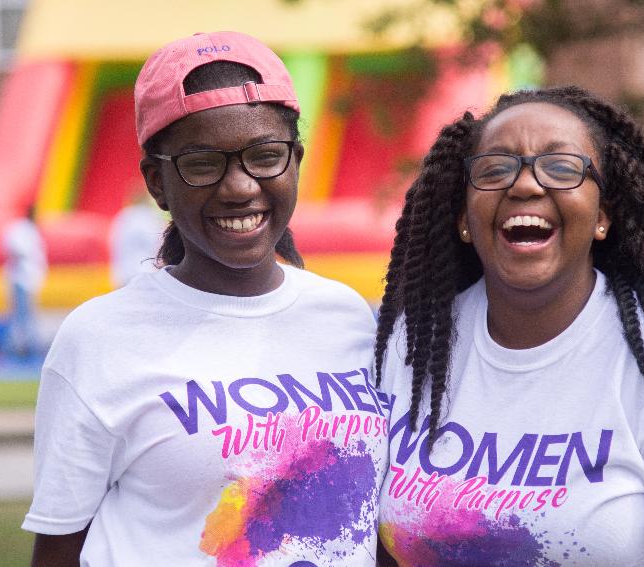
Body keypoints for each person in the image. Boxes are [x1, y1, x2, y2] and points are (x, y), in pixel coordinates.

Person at [22, 31, 387, 566]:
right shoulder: (100, 338)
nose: (239, 187)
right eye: (201, 163)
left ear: (296, 162)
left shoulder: (345, 315)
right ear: (157, 182)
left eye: (265, 156)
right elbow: (57, 551)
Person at [374, 87, 644, 566]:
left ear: (603, 216)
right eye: (495, 168)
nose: (525, 186)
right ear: (464, 218)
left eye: (562, 168)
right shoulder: (407, 346)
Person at [1, 204, 48, 359]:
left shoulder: (32, 231)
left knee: (27, 315)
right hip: (20, 279)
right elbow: (15, 249)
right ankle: (17, 349)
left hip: (30, 280)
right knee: (21, 316)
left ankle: (25, 348)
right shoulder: (20, 229)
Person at [108, 187, 165, 287]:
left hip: (122, 274)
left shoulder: (123, 215)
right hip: (142, 272)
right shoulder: (145, 216)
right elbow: (155, 241)